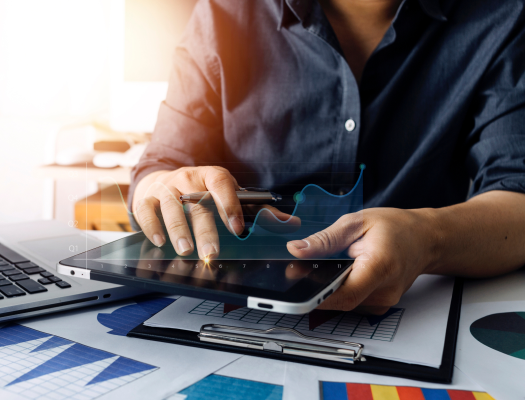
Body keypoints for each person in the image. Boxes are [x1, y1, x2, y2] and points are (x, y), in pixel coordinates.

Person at [128, 0, 525, 314]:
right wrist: (160, 187)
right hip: (225, 301)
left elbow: (516, 195)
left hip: (417, 306)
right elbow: (162, 166)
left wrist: (425, 239)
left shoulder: (503, 16)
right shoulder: (223, 12)